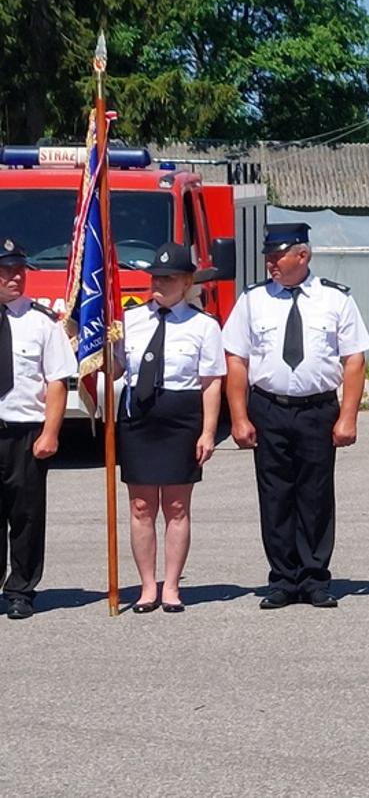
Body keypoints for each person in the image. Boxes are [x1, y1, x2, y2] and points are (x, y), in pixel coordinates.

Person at [224, 222, 369, 610]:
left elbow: (354, 359)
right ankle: (283, 579)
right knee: (275, 496)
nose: (271, 263)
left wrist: (348, 416)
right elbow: (236, 360)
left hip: (317, 409)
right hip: (269, 407)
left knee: (316, 495)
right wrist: (239, 417)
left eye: (278, 256)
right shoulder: (253, 300)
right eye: (269, 257)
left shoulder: (335, 299)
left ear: (302, 256)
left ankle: (314, 577)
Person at [114, 243, 226, 613]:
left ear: (187, 282)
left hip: (181, 418)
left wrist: (208, 432)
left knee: (177, 505)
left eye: (168, 278)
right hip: (139, 418)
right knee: (142, 505)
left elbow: (211, 382)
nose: (159, 284)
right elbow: (114, 370)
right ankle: (148, 587)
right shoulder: (129, 322)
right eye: (155, 278)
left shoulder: (203, 325)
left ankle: (172, 587)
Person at [0, 240, 76, 620]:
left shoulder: (42, 322)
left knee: (26, 515)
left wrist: (51, 432)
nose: (16, 277)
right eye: (6, 271)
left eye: (20, 270)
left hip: (25, 432)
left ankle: (21, 590)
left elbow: (58, 381)